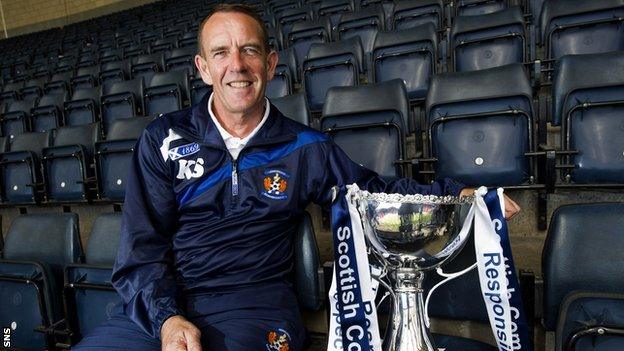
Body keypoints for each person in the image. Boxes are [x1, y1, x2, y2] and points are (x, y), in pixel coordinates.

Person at [73, 4, 520, 351]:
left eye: (248, 50)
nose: (237, 65)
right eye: (221, 53)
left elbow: (373, 193)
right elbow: (140, 252)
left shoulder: (305, 147)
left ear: (270, 63)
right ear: (203, 68)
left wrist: (457, 195)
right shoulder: (164, 139)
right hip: (163, 308)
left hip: (255, 305)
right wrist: (167, 319)